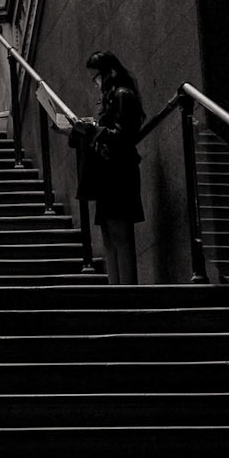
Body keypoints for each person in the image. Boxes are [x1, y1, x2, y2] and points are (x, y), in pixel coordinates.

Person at [70, 49, 145, 284]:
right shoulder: (111, 98)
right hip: (106, 172)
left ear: (107, 73)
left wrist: (91, 130)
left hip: (118, 171)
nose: (95, 83)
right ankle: (117, 288)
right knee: (109, 235)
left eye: (96, 77)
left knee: (120, 234)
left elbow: (124, 135)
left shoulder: (123, 95)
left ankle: (127, 290)